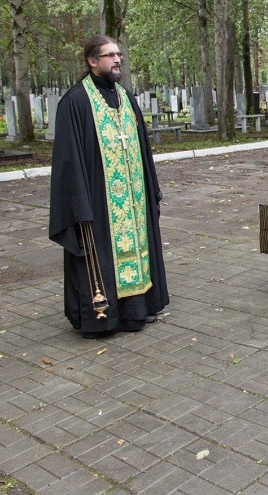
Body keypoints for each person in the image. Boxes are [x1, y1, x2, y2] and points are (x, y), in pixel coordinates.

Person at [49, 35, 169, 338]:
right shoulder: (75, 102)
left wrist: (150, 189)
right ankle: (103, 317)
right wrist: (79, 206)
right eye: (110, 55)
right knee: (101, 255)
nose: (117, 61)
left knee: (136, 251)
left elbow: (142, 150)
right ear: (92, 61)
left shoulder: (125, 97)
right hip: (99, 200)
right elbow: (68, 161)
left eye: (119, 55)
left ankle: (135, 312)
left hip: (132, 198)